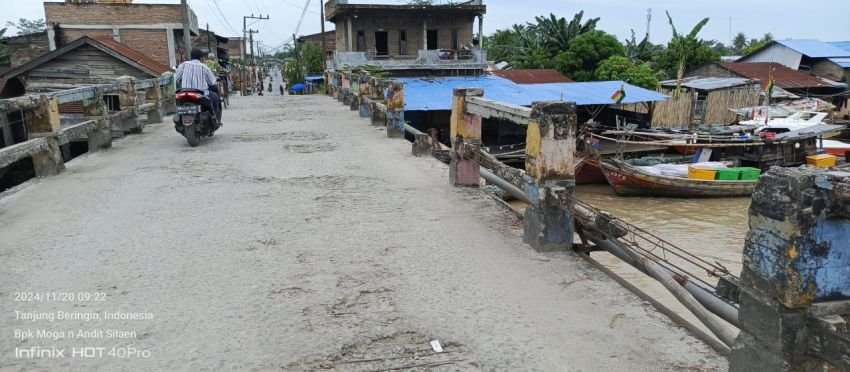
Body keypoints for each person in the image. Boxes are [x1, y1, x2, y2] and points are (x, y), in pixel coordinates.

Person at [175, 48, 221, 123]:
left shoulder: (183, 65)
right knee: (215, 98)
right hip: (201, 93)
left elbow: (175, 78)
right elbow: (212, 82)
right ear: (201, 58)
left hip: (184, 92)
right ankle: (214, 117)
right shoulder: (204, 67)